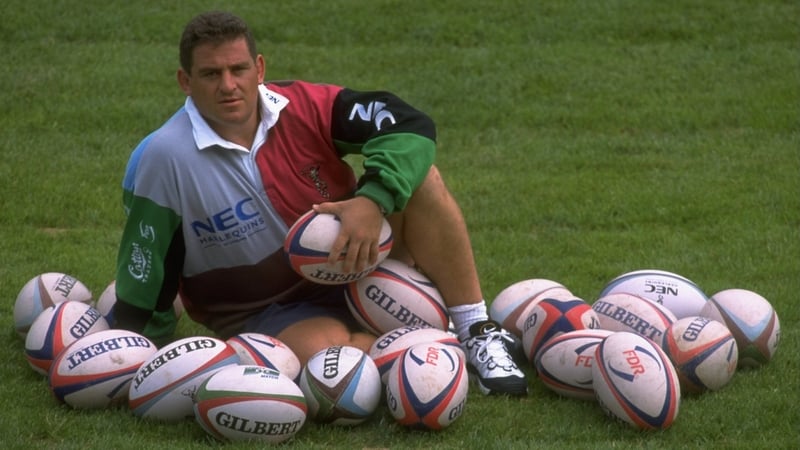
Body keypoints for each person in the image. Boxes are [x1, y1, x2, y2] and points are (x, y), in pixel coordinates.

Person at [112, 10, 527, 396]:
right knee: (336, 365)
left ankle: (476, 329)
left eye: (238, 69)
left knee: (422, 178)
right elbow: (148, 258)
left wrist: (372, 200)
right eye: (210, 74)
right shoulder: (162, 157)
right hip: (262, 308)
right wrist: (134, 345)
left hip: (354, 259)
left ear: (259, 68)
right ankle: (437, 348)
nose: (228, 85)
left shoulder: (305, 106)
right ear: (185, 81)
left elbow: (410, 125)